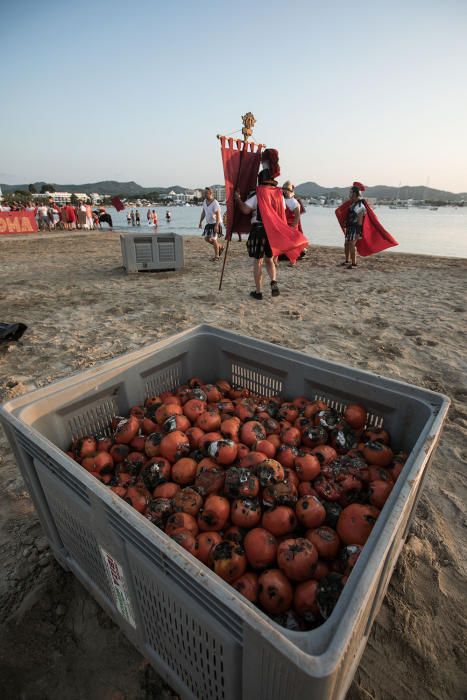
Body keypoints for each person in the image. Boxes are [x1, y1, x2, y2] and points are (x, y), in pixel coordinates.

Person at [234, 169, 281, 299]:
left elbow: (244, 210)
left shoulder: (258, 195)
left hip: (259, 230)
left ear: (260, 181)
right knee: (269, 259)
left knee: (258, 261)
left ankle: (259, 292)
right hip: (272, 232)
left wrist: (238, 199)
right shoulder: (279, 196)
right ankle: (273, 281)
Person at [339, 182, 366, 269]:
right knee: (346, 244)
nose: (349, 194)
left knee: (351, 245)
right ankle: (347, 261)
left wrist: (359, 233)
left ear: (354, 193)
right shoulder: (352, 204)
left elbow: (360, 221)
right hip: (350, 227)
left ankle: (354, 263)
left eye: (350, 192)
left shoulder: (360, 206)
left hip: (355, 228)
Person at [198, 187, 224, 261]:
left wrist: (216, 225)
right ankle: (220, 247)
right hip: (209, 224)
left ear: (211, 193)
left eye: (206, 193)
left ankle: (217, 256)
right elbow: (203, 212)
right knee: (206, 238)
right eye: (204, 193)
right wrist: (200, 222)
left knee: (214, 239)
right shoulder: (204, 201)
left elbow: (218, 214)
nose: (205, 195)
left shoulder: (215, 202)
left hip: (215, 223)